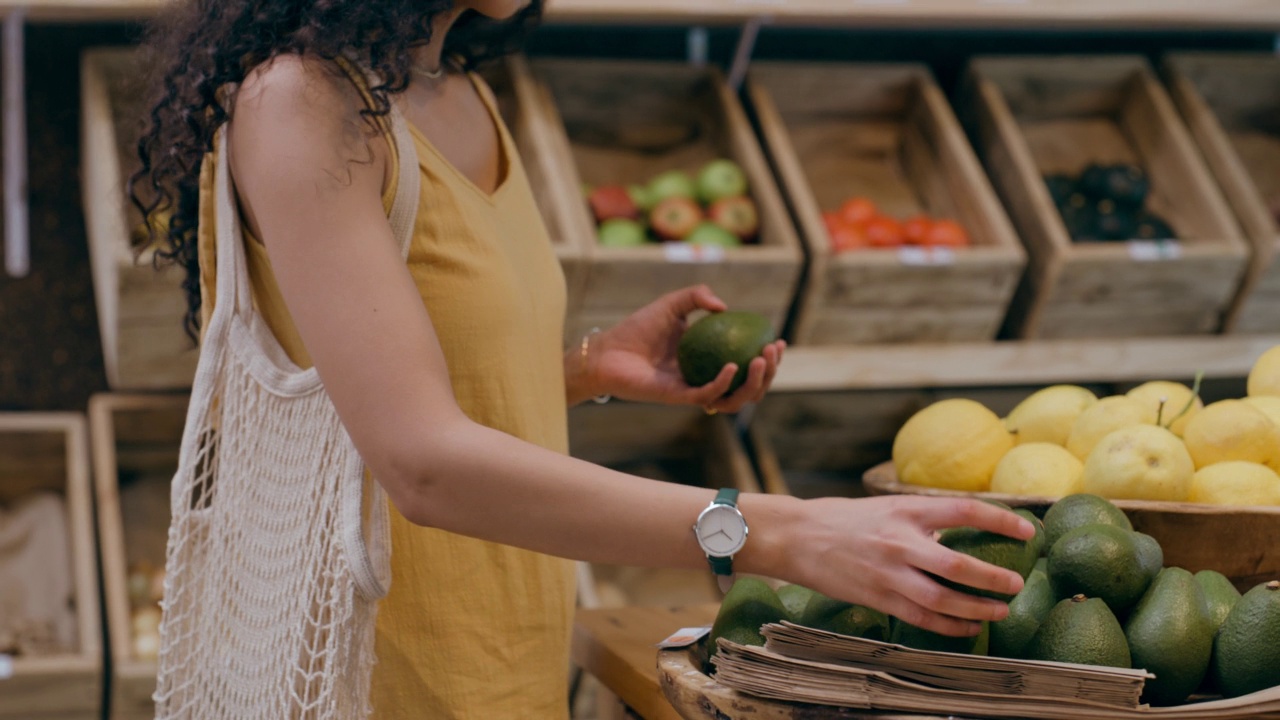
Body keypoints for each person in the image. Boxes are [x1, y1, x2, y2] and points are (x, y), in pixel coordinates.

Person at [131, 0, 1035, 717]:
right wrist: (785, 535)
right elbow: (422, 465)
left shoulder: (459, 95)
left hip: (507, 655)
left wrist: (590, 368)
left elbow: (396, 376)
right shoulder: (302, 104)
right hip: (375, 677)